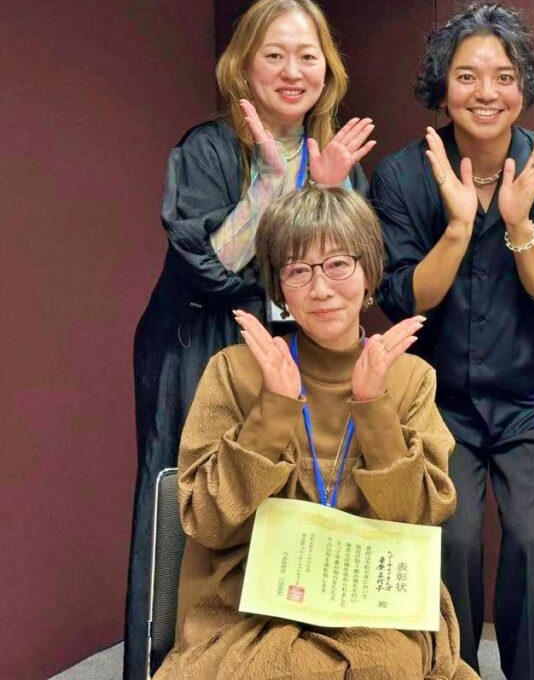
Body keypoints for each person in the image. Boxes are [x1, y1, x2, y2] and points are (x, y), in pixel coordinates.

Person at [127, 0, 375, 679]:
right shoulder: (205, 149)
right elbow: (210, 267)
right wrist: (270, 184)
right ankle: (170, 663)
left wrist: (328, 195)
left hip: (295, 353)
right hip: (200, 344)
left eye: (308, 56)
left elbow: (351, 275)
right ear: (243, 65)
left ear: (328, 68)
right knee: (194, 503)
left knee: (286, 502)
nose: (294, 71)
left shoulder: (335, 154)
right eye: (275, 55)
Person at [154, 186, 476, 679]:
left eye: (338, 264)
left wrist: (374, 407)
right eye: (298, 270)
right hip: (249, 603)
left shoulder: (410, 379)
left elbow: (418, 519)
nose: (321, 289)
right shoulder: (234, 371)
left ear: (369, 272)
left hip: (372, 602)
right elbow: (208, 521)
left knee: (387, 666)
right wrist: (273, 409)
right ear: (279, 287)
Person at [368, 1, 534, 680]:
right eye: (467, 76)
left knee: (529, 542)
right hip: (439, 402)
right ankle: (453, 670)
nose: (486, 92)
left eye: (503, 76)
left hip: (531, 398)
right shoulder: (403, 176)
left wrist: (520, 226)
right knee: (453, 540)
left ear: (525, 87)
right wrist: (460, 229)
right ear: (443, 86)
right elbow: (402, 299)